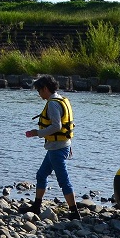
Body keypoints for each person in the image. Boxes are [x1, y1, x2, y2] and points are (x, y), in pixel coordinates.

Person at [23, 74, 80, 219]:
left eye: (39, 91)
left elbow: (56, 126)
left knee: (63, 180)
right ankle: (36, 206)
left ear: (45, 89)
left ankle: (74, 212)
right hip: (58, 146)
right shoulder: (61, 99)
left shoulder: (53, 104)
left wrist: (37, 133)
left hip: (57, 148)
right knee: (41, 174)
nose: (39, 94)